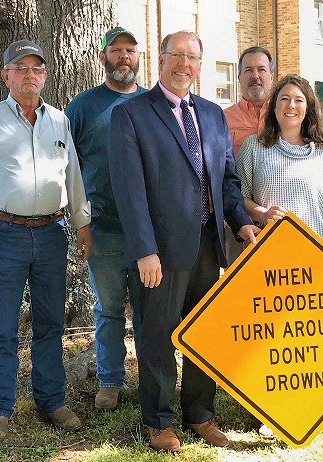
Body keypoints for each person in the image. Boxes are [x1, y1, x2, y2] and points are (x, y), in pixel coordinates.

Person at [108, 30, 261, 452]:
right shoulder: (132, 113)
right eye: (176, 56)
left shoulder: (212, 115)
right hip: (160, 251)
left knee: (205, 333)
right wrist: (144, 249)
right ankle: (158, 422)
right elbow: (129, 189)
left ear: (200, 64)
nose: (184, 65)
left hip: (209, 247)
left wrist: (242, 222)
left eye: (192, 58)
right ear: (160, 60)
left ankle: (200, 414)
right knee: (157, 335)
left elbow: (227, 180)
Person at [0, 40, 92, 442]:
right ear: (6, 76)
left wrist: (83, 224)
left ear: (45, 76)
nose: (30, 74)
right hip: (4, 235)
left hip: (52, 234)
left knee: (50, 323)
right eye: (21, 67)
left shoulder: (60, 122)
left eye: (37, 68)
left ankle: (52, 401)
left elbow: (74, 178)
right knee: (3, 327)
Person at [65, 26, 146, 411]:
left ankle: (152, 377)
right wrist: (82, 223)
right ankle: (110, 381)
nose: (124, 57)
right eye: (116, 50)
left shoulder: (152, 104)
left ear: (138, 57)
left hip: (149, 232)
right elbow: (69, 169)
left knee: (150, 309)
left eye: (130, 50)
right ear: (103, 58)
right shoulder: (82, 107)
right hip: (104, 230)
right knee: (109, 307)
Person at [236, 73, 323, 271]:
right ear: (274, 105)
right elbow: (239, 198)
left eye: (299, 100)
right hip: (269, 260)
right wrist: (264, 214)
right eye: (284, 99)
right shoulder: (253, 147)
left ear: (308, 108)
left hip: (319, 258)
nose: (291, 106)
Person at [223, 46, 275, 267]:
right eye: (248, 70)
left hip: (278, 217)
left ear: (271, 76)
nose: (255, 76)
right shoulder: (222, 118)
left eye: (262, 69)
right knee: (241, 286)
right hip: (237, 220)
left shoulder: (285, 115)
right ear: (239, 78)